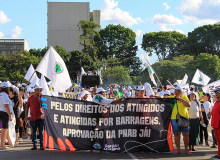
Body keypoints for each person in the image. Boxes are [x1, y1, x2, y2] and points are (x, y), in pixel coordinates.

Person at [170, 86, 191, 155]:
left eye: (177, 91)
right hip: (174, 118)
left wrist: (180, 99)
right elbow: (162, 98)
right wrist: (153, 95)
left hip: (184, 118)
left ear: (180, 92)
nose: (175, 92)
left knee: (186, 134)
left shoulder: (184, 97)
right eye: (175, 90)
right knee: (176, 134)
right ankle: (178, 150)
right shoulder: (172, 98)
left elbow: (188, 105)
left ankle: (186, 149)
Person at [25, 85, 44, 150]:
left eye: (41, 90)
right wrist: (26, 116)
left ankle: (42, 145)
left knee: (41, 132)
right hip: (32, 117)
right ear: (35, 90)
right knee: (33, 132)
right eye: (39, 90)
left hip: (40, 117)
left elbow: (45, 107)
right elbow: (27, 107)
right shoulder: (30, 98)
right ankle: (34, 145)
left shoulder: (42, 98)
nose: (40, 91)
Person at [0, 82, 13, 149]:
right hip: (4, 113)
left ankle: (10, 143)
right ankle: (2, 144)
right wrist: (10, 115)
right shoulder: (4, 95)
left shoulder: (0, 94)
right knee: (5, 129)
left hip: (1, 111)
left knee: (5, 129)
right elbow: (6, 106)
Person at [211, 88, 220, 159]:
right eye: (216, 93)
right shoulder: (216, 103)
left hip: (219, 124)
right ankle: (219, 154)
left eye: (218, 93)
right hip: (215, 124)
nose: (216, 94)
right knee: (218, 140)